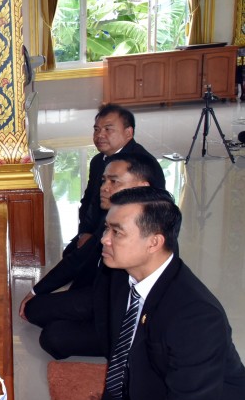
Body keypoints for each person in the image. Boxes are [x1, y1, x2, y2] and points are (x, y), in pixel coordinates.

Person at [53, 187, 245, 400]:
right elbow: (123, 356)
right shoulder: (124, 277)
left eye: (117, 232)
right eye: (106, 228)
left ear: (154, 242)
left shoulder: (195, 317)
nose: (104, 239)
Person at [20, 153, 166, 359]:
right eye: (104, 181)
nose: (104, 188)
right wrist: (37, 290)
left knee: (53, 337)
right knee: (34, 309)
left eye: (114, 182)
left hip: (124, 318)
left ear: (142, 186)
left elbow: (130, 303)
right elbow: (79, 258)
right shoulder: (114, 216)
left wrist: (78, 310)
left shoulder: (152, 230)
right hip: (99, 295)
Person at [66, 105, 153, 256]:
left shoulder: (141, 164)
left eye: (108, 129)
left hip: (123, 239)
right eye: (96, 129)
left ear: (128, 132)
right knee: (69, 254)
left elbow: (137, 218)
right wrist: (84, 232)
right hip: (95, 229)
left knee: (76, 262)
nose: (100, 135)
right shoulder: (98, 161)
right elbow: (89, 200)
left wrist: (95, 238)